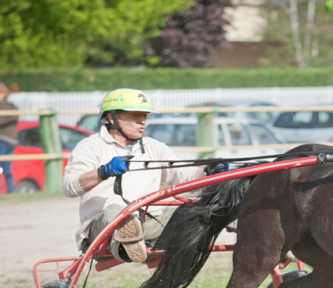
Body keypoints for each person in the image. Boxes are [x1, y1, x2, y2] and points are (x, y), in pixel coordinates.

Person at [62, 88, 228, 263]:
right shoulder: (90, 146)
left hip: (148, 222)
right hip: (103, 230)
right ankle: (127, 246)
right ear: (112, 118)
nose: (142, 121)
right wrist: (103, 171)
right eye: (135, 115)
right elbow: (69, 186)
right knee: (116, 211)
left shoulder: (154, 146)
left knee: (206, 195)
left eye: (145, 116)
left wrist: (208, 171)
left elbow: (181, 174)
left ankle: (246, 228)